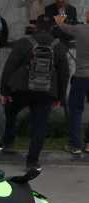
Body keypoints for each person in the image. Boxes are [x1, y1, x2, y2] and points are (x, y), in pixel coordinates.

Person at [0, 14, 69, 171]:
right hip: (46, 91)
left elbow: (9, 66)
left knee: (10, 112)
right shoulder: (58, 46)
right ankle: (32, 162)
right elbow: (64, 73)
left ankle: (8, 143)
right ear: (52, 27)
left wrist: (5, 91)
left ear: (35, 26)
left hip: (21, 89)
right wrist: (60, 96)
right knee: (40, 125)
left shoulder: (25, 42)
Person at [56, 11, 89, 155]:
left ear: (88, 16)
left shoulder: (80, 29)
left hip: (81, 75)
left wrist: (60, 16)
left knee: (76, 109)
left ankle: (75, 145)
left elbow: (62, 26)